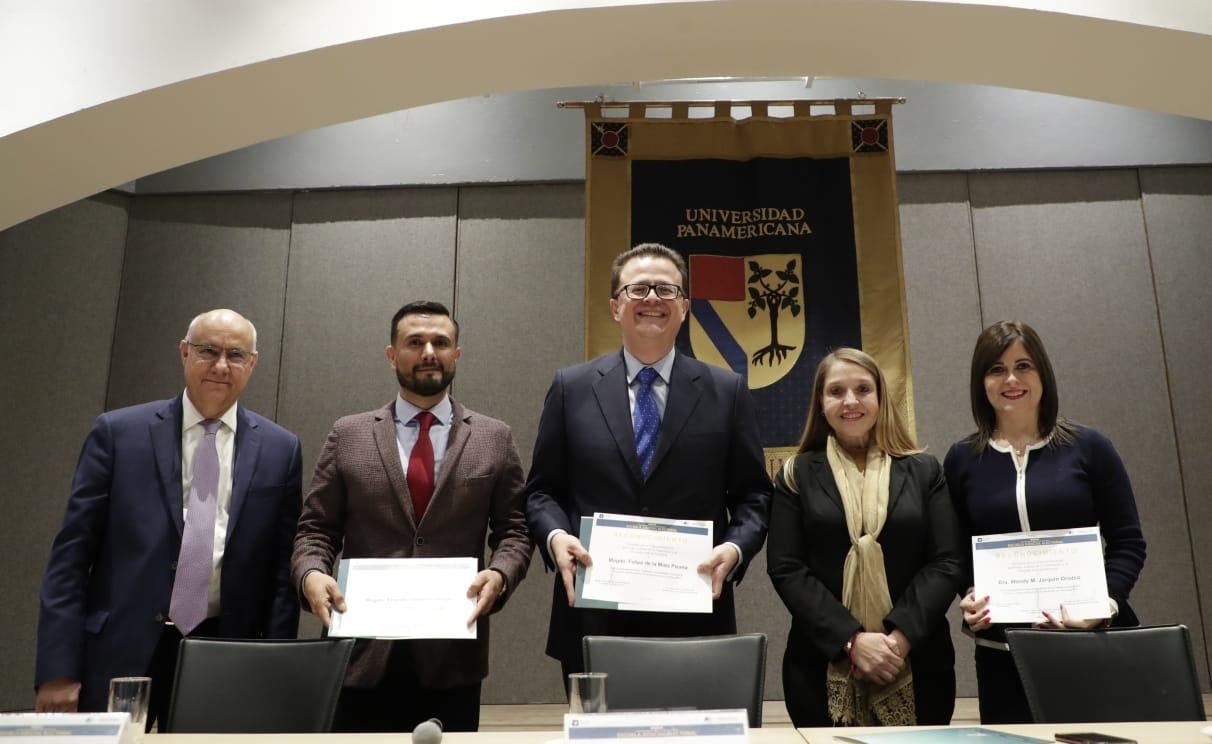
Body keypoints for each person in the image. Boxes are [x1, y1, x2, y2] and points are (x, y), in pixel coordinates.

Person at [35, 309, 302, 726]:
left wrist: (274, 667)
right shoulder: (118, 433)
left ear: (252, 363)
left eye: (235, 355)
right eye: (208, 351)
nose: (220, 366)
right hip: (119, 649)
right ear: (183, 352)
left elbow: (281, 577)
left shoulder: (281, 450)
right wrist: (57, 669)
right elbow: (70, 559)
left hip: (224, 651)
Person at [525, 242, 772, 681]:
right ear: (615, 306)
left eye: (665, 290)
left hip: (694, 615)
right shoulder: (571, 388)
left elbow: (754, 495)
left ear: (685, 308)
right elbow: (542, 491)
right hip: (594, 617)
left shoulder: (726, 391)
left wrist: (734, 549)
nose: (652, 299)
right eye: (638, 290)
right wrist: (556, 536)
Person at [292, 300, 532, 732]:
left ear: (457, 354)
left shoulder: (494, 437)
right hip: (361, 654)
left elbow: (514, 531)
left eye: (441, 342)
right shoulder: (349, 433)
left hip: (452, 658)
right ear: (391, 354)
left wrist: (500, 574)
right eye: (414, 342)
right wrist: (311, 574)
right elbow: (316, 530)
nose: (428, 352)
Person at [945, 320, 1147, 724]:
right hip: (1002, 656)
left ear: (1043, 374)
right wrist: (969, 595)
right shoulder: (962, 459)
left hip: (1091, 643)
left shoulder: (1090, 447)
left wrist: (1102, 606)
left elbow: (1128, 543)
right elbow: (954, 553)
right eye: (996, 369)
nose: (1011, 379)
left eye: (1024, 366)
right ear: (980, 381)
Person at [767, 348, 962, 727]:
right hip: (821, 665)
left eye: (862, 389)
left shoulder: (924, 471)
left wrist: (897, 639)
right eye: (836, 391)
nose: (850, 401)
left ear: (880, 398)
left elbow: (946, 561)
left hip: (917, 660)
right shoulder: (796, 475)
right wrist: (852, 642)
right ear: (821, 403)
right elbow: (787, 568)